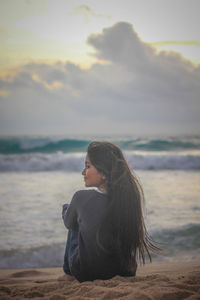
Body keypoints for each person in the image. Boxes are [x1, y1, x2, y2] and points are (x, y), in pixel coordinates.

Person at [61, 141, 157, 282]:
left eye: (87, 166)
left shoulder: (80, 197)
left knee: (73, 218)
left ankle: (68, 274)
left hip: (85, 272)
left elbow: (68, 223)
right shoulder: (128, 200)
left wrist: (66, 209)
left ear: (104, 173)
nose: (83, 172)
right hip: (124, 271)